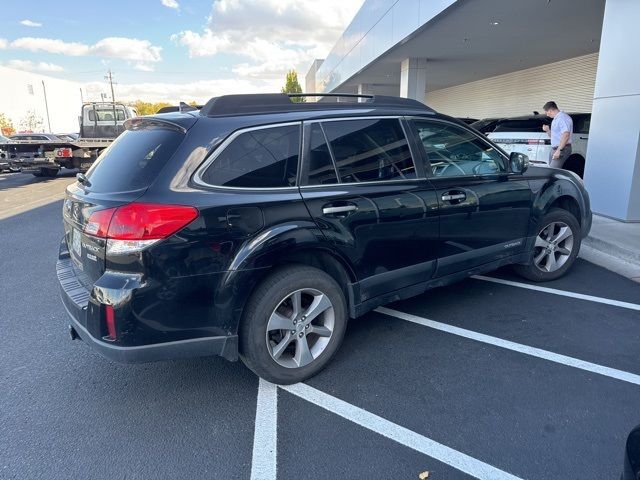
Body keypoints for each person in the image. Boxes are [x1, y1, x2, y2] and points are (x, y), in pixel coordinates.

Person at [541, 101, 573, 169]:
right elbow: (553, 136)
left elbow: (566, 134)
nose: (547, 115)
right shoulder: (555, 119)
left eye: (546, 112)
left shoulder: (563, 118)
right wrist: (547, 130)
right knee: (551, 170)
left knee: (552, 172)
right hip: (555, 149)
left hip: (562, 149)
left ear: (550, 110)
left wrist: (559, 150)